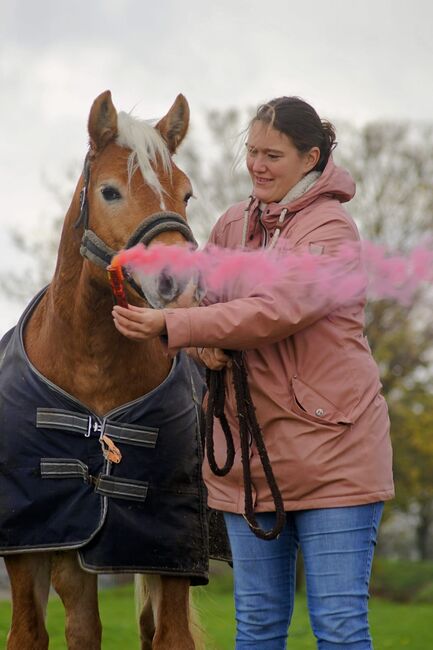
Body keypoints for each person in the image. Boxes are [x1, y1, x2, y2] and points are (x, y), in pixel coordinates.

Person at [112, 96, 394, 650]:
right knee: (258, 628)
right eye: (252, 153)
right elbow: (199, 305)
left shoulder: (331, 230)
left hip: (334, 456)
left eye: (274, 155)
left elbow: (275, 311)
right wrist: (198, 343)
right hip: (248, 459)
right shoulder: (231, 224)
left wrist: (176, 329)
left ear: (311, 158)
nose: (258, 166)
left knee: (338, 628)